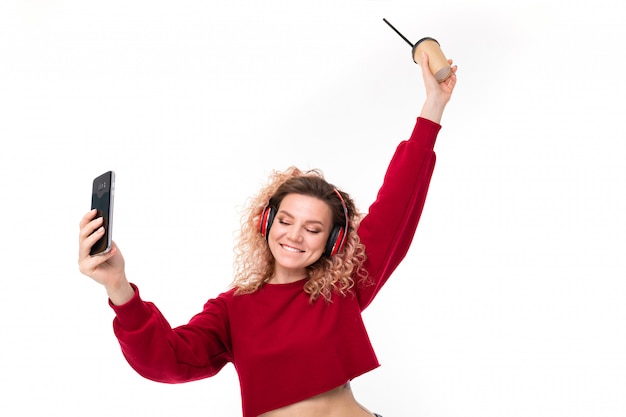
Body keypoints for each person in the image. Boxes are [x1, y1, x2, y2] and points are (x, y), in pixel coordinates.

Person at [78, 51, 457, 417]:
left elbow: (398, 201)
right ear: (266, 222)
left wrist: (433, 106)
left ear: (333, 242)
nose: (295, 236)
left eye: (313, 229)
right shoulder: (233, 309)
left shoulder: (343, 287)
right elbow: (166, 360)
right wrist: (119, 287)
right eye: (286, 221)